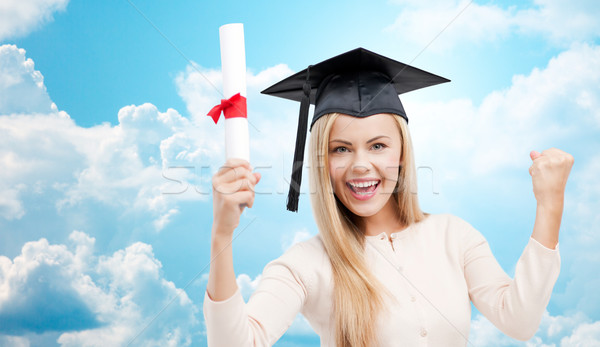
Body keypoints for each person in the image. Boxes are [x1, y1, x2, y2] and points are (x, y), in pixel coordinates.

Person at [204, 48, 574, 347]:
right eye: (340, 149)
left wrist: (550, 204)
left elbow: (520, 321)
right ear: (321, 161)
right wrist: (222, 235)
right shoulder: (306, 265)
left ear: (402, 153)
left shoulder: (454, 237)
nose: (360, 165)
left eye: (378, 145)